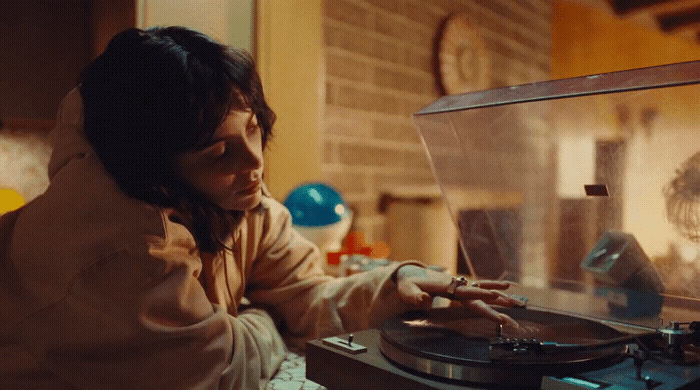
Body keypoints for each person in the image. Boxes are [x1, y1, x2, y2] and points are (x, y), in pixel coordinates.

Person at [0, 26, 522, 389]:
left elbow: (304, 296)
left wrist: (394, 282)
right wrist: (262, 321)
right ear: (153, 163)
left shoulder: (238, 200)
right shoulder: (110, 246)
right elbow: (215, 374)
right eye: (219, 151)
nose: (255, 162)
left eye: (252, 129)